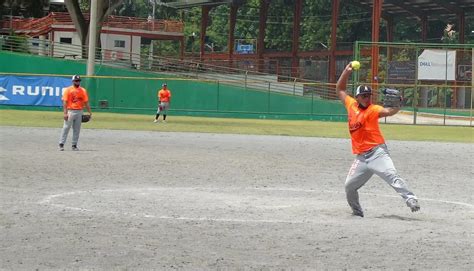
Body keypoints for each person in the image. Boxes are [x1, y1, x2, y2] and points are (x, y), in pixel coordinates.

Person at [336, 62, 420, 217]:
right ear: (357, 97)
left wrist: (398, 104)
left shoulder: (373, 109)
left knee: (392, 176)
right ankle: (357, 212)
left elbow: (389, 111)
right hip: (361, 158)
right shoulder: (350, 105)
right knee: (349, 186)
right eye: (364, 95)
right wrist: (346, 72)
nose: (367, 98)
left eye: (369, 95)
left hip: (377, 153)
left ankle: (411, 199)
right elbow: (340, 89)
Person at [58, 75, 92, 151]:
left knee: (77, 129)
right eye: (76, 80)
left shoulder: (83, 90)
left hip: (79, 111)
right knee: (66, 128)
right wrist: (65, 113)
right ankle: (61, 144)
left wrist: (90, 112)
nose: (77, 82)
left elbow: (86, 102)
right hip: (70, 111)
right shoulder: (68, 90)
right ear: (73, 81)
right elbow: (65, 102)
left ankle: (74, 145)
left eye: (79, 80)